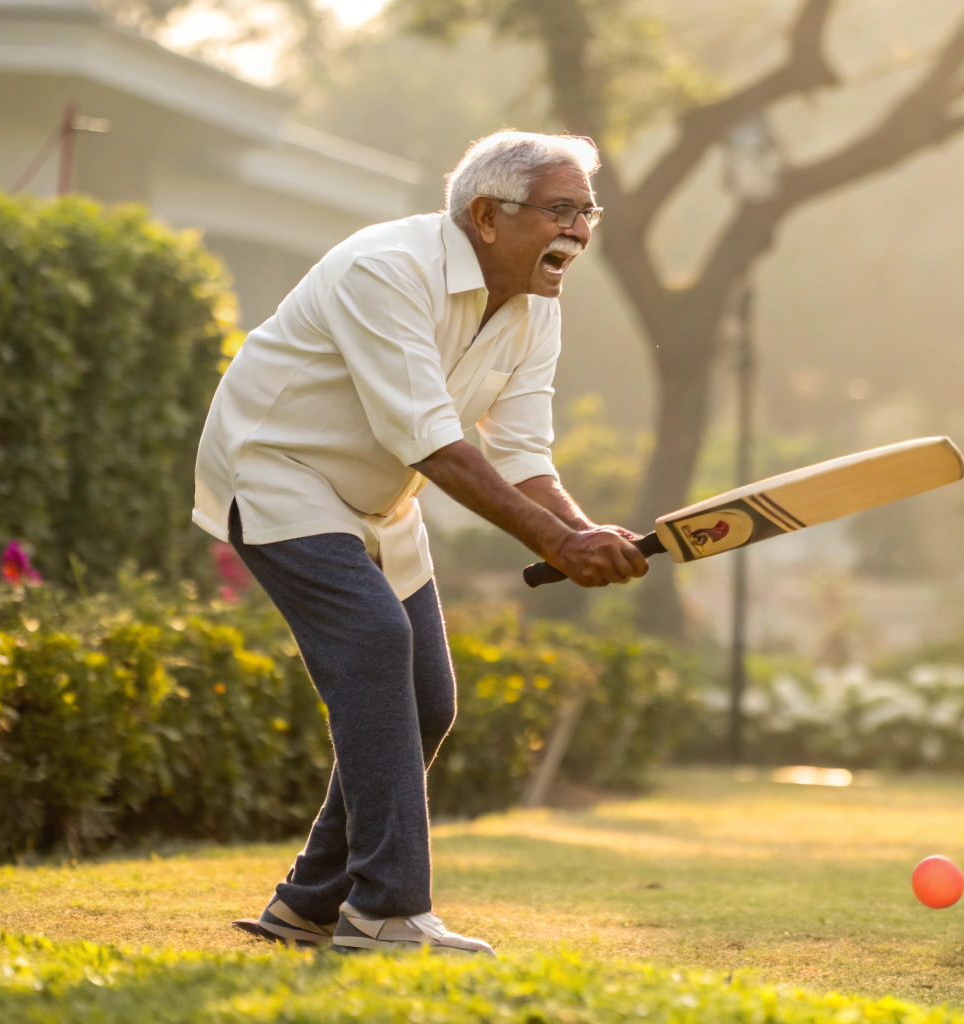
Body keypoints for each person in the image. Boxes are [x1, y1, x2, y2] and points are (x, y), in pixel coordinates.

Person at [195, 131, 649, 955]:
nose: (580, 230)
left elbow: (521, 453)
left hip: (379, 499)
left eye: (587, 211)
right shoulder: (387, 268)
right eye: (561, 209)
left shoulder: (536, 307)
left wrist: (579, 533)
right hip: (276, 469)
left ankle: (306, 906)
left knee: (428, 700)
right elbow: (434, 444)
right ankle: (387, 911)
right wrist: (559, 542)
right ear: (486, 215)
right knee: (374, 639)